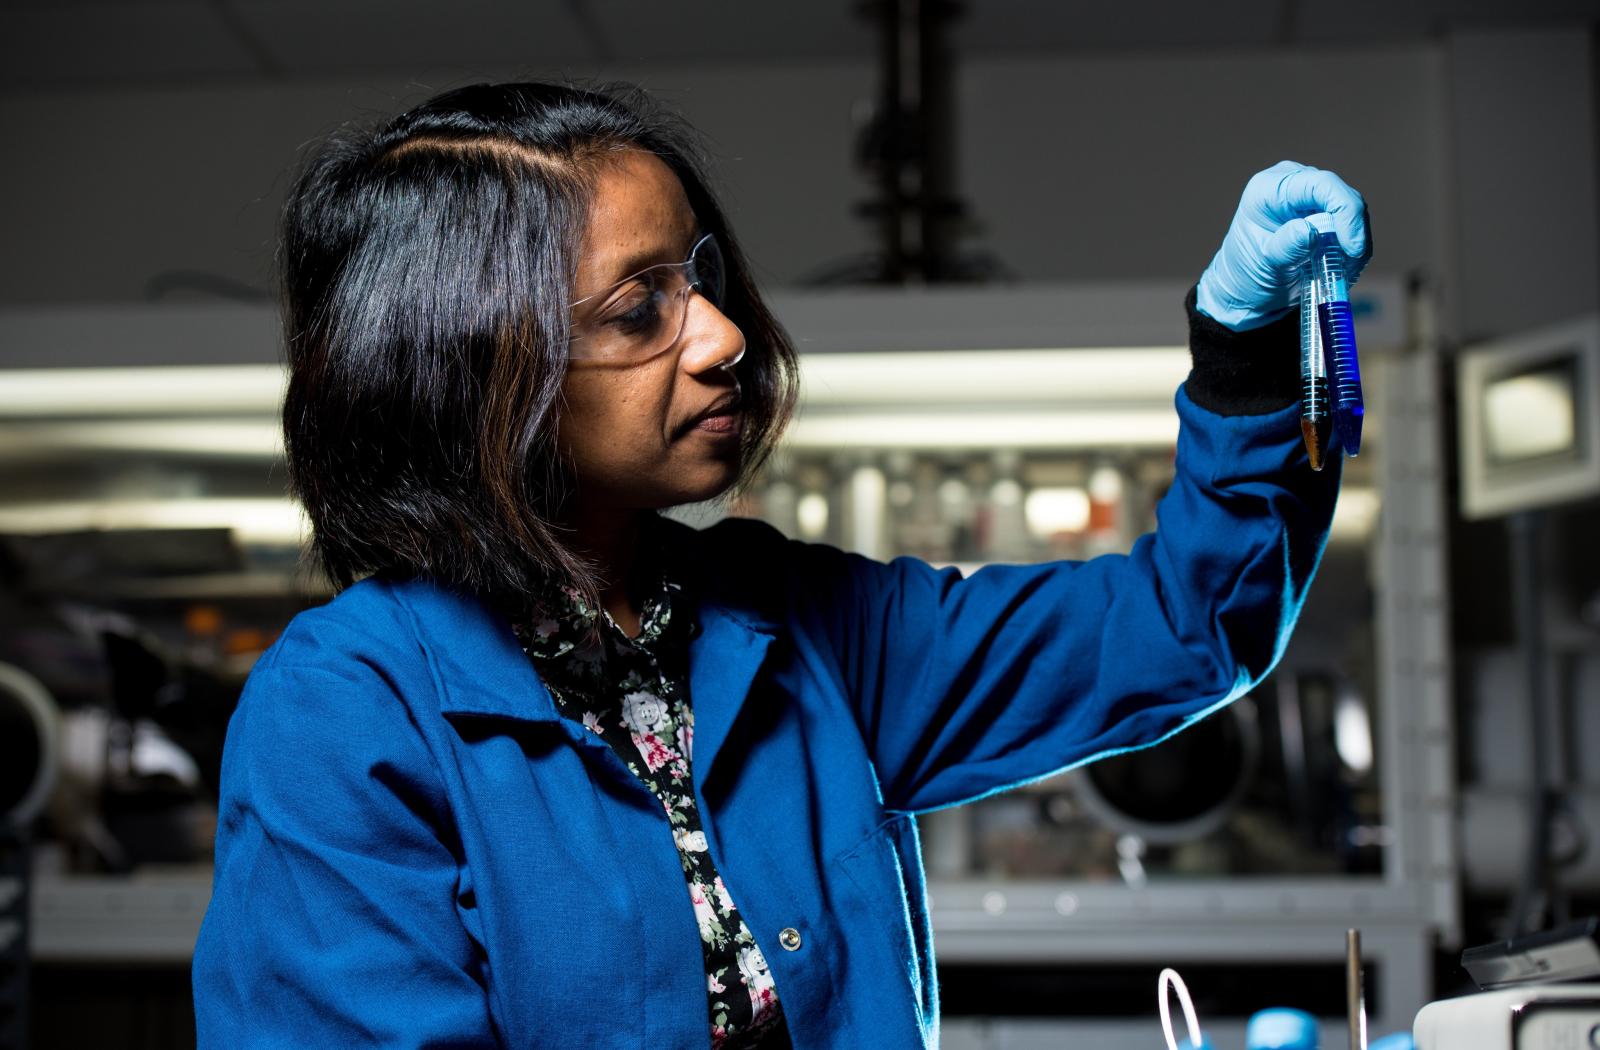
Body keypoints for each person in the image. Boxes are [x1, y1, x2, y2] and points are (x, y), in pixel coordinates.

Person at [191, 80, 1368, 1049]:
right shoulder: (345, 713)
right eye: (637, 309)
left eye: (694, 276)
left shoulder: (799, 625)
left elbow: (1180, 626)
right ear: (468, 372)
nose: (722, 336)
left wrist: (1247, 350)